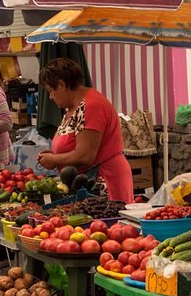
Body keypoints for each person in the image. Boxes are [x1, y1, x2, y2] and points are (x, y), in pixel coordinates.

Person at [36, 59, 134, 203]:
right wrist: (56, 155)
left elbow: (85, 156)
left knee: (108, 224)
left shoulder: (91, 105)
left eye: (51, 90)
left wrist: (55, 159)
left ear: (62, 85)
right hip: (84, 183)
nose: (50, 96)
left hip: (103, 182)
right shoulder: (73, 107)